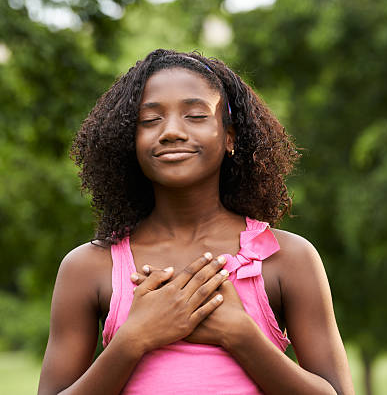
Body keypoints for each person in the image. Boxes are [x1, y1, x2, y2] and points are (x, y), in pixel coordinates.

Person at [38, 49, 354, 395]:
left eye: (195, 115)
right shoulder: (88, 266)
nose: (171, 131)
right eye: (150, 120)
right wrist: (133, 339)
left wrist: (241, 335)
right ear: (130, 141)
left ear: (230, 136)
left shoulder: (288, 258)